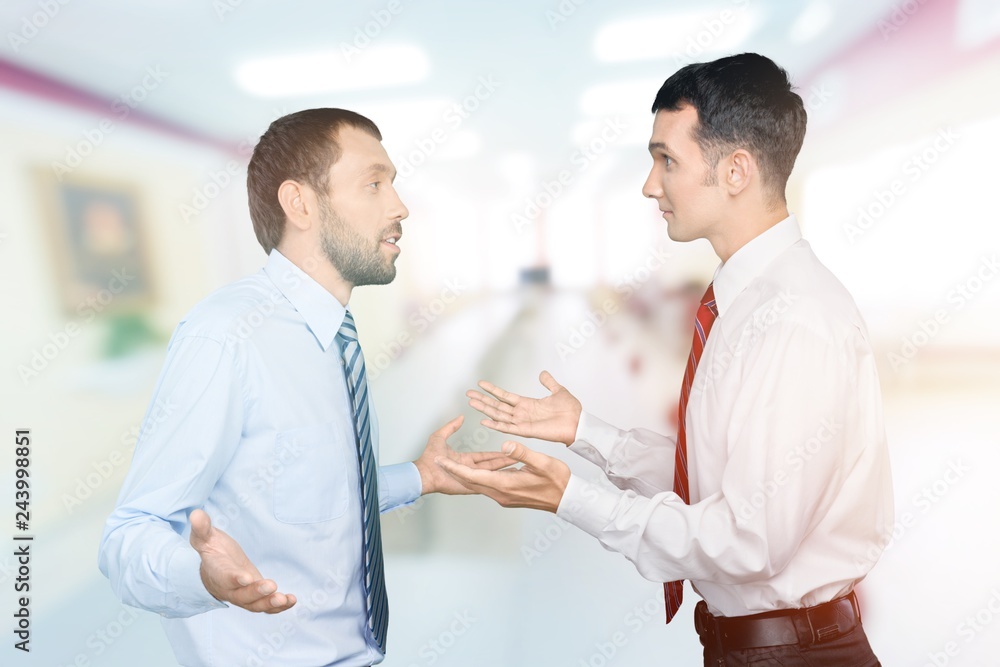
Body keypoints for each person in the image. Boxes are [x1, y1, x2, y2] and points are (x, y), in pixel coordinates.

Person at [437, 53, 893, 666]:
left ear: (736, 170)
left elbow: (749, 541)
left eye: (666, 160)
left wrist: (571, 498)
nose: (651, 185)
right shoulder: (746, 301)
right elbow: (714, 487)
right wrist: (586, 432)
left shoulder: (793, 320)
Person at [98, 108, 512, 667]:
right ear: (299, 204)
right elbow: (129, 535)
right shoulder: (225, 336)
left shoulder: (333, 335)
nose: (400, 206)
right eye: (374, 184)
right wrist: (202, 577)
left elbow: (310, 493)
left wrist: (420, 477)